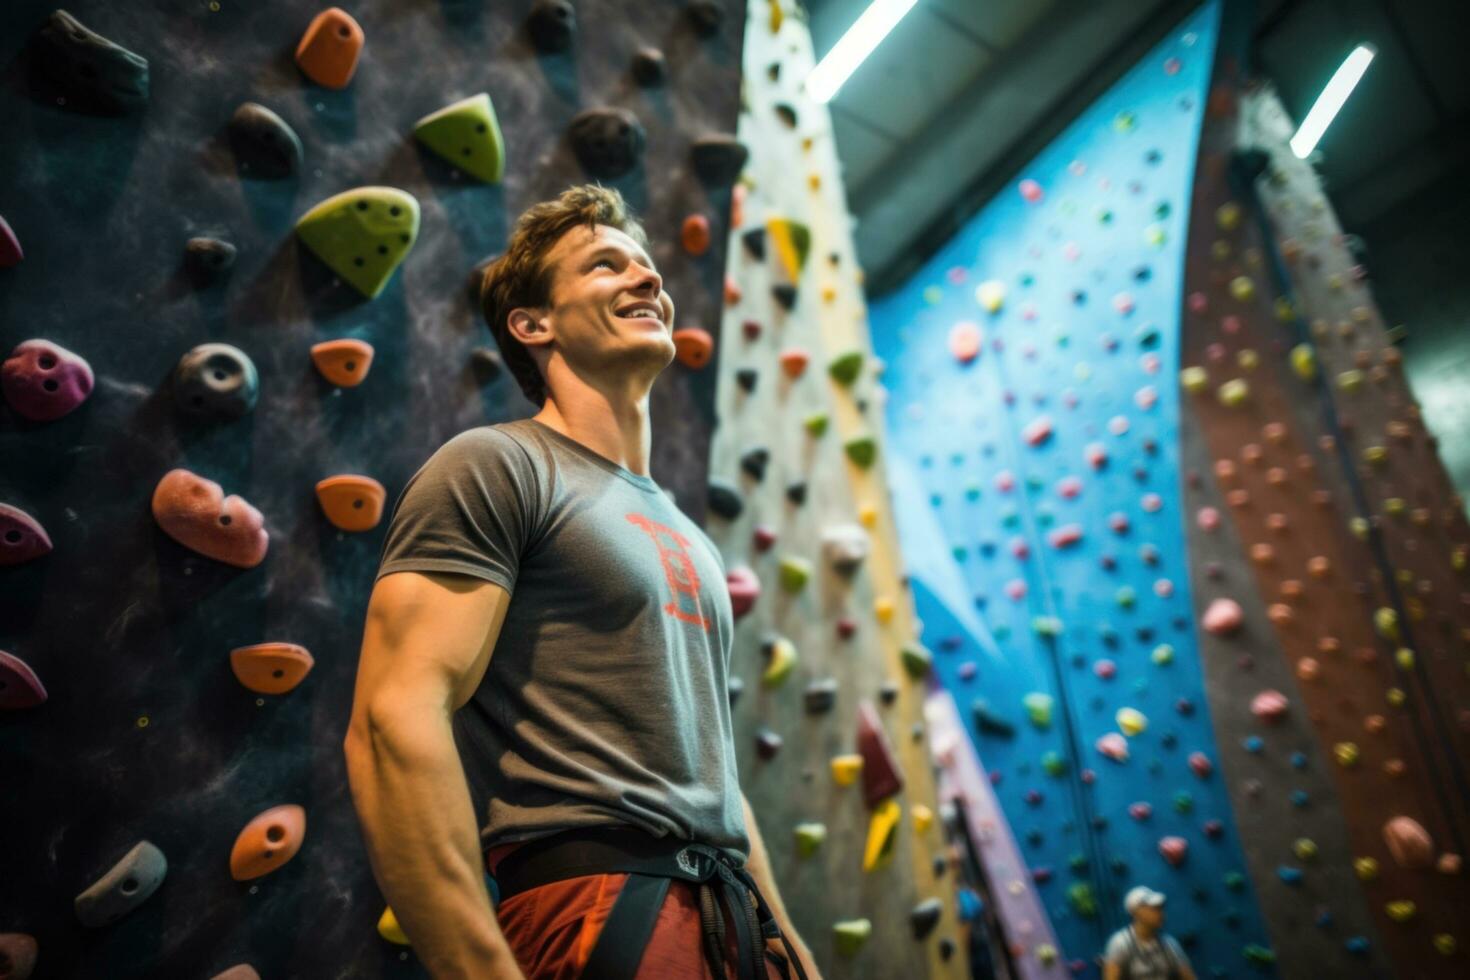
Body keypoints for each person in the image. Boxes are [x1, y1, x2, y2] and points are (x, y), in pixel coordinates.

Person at [343, 184, 820, 980]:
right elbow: (394, 718)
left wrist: (790, 949)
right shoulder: (498, 466)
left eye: (649, 268)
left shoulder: (690, 536)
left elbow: (709, 777)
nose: (649, 281)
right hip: (595, 913)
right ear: (534, 324)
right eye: (608, 265)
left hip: (732, 921)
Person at [1102, 886, 1196, 980]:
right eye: (1154, 908)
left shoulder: (1169, 944)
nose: (1161, 913)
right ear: (1136, 912)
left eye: (1161, 908)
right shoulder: (1120, 943)